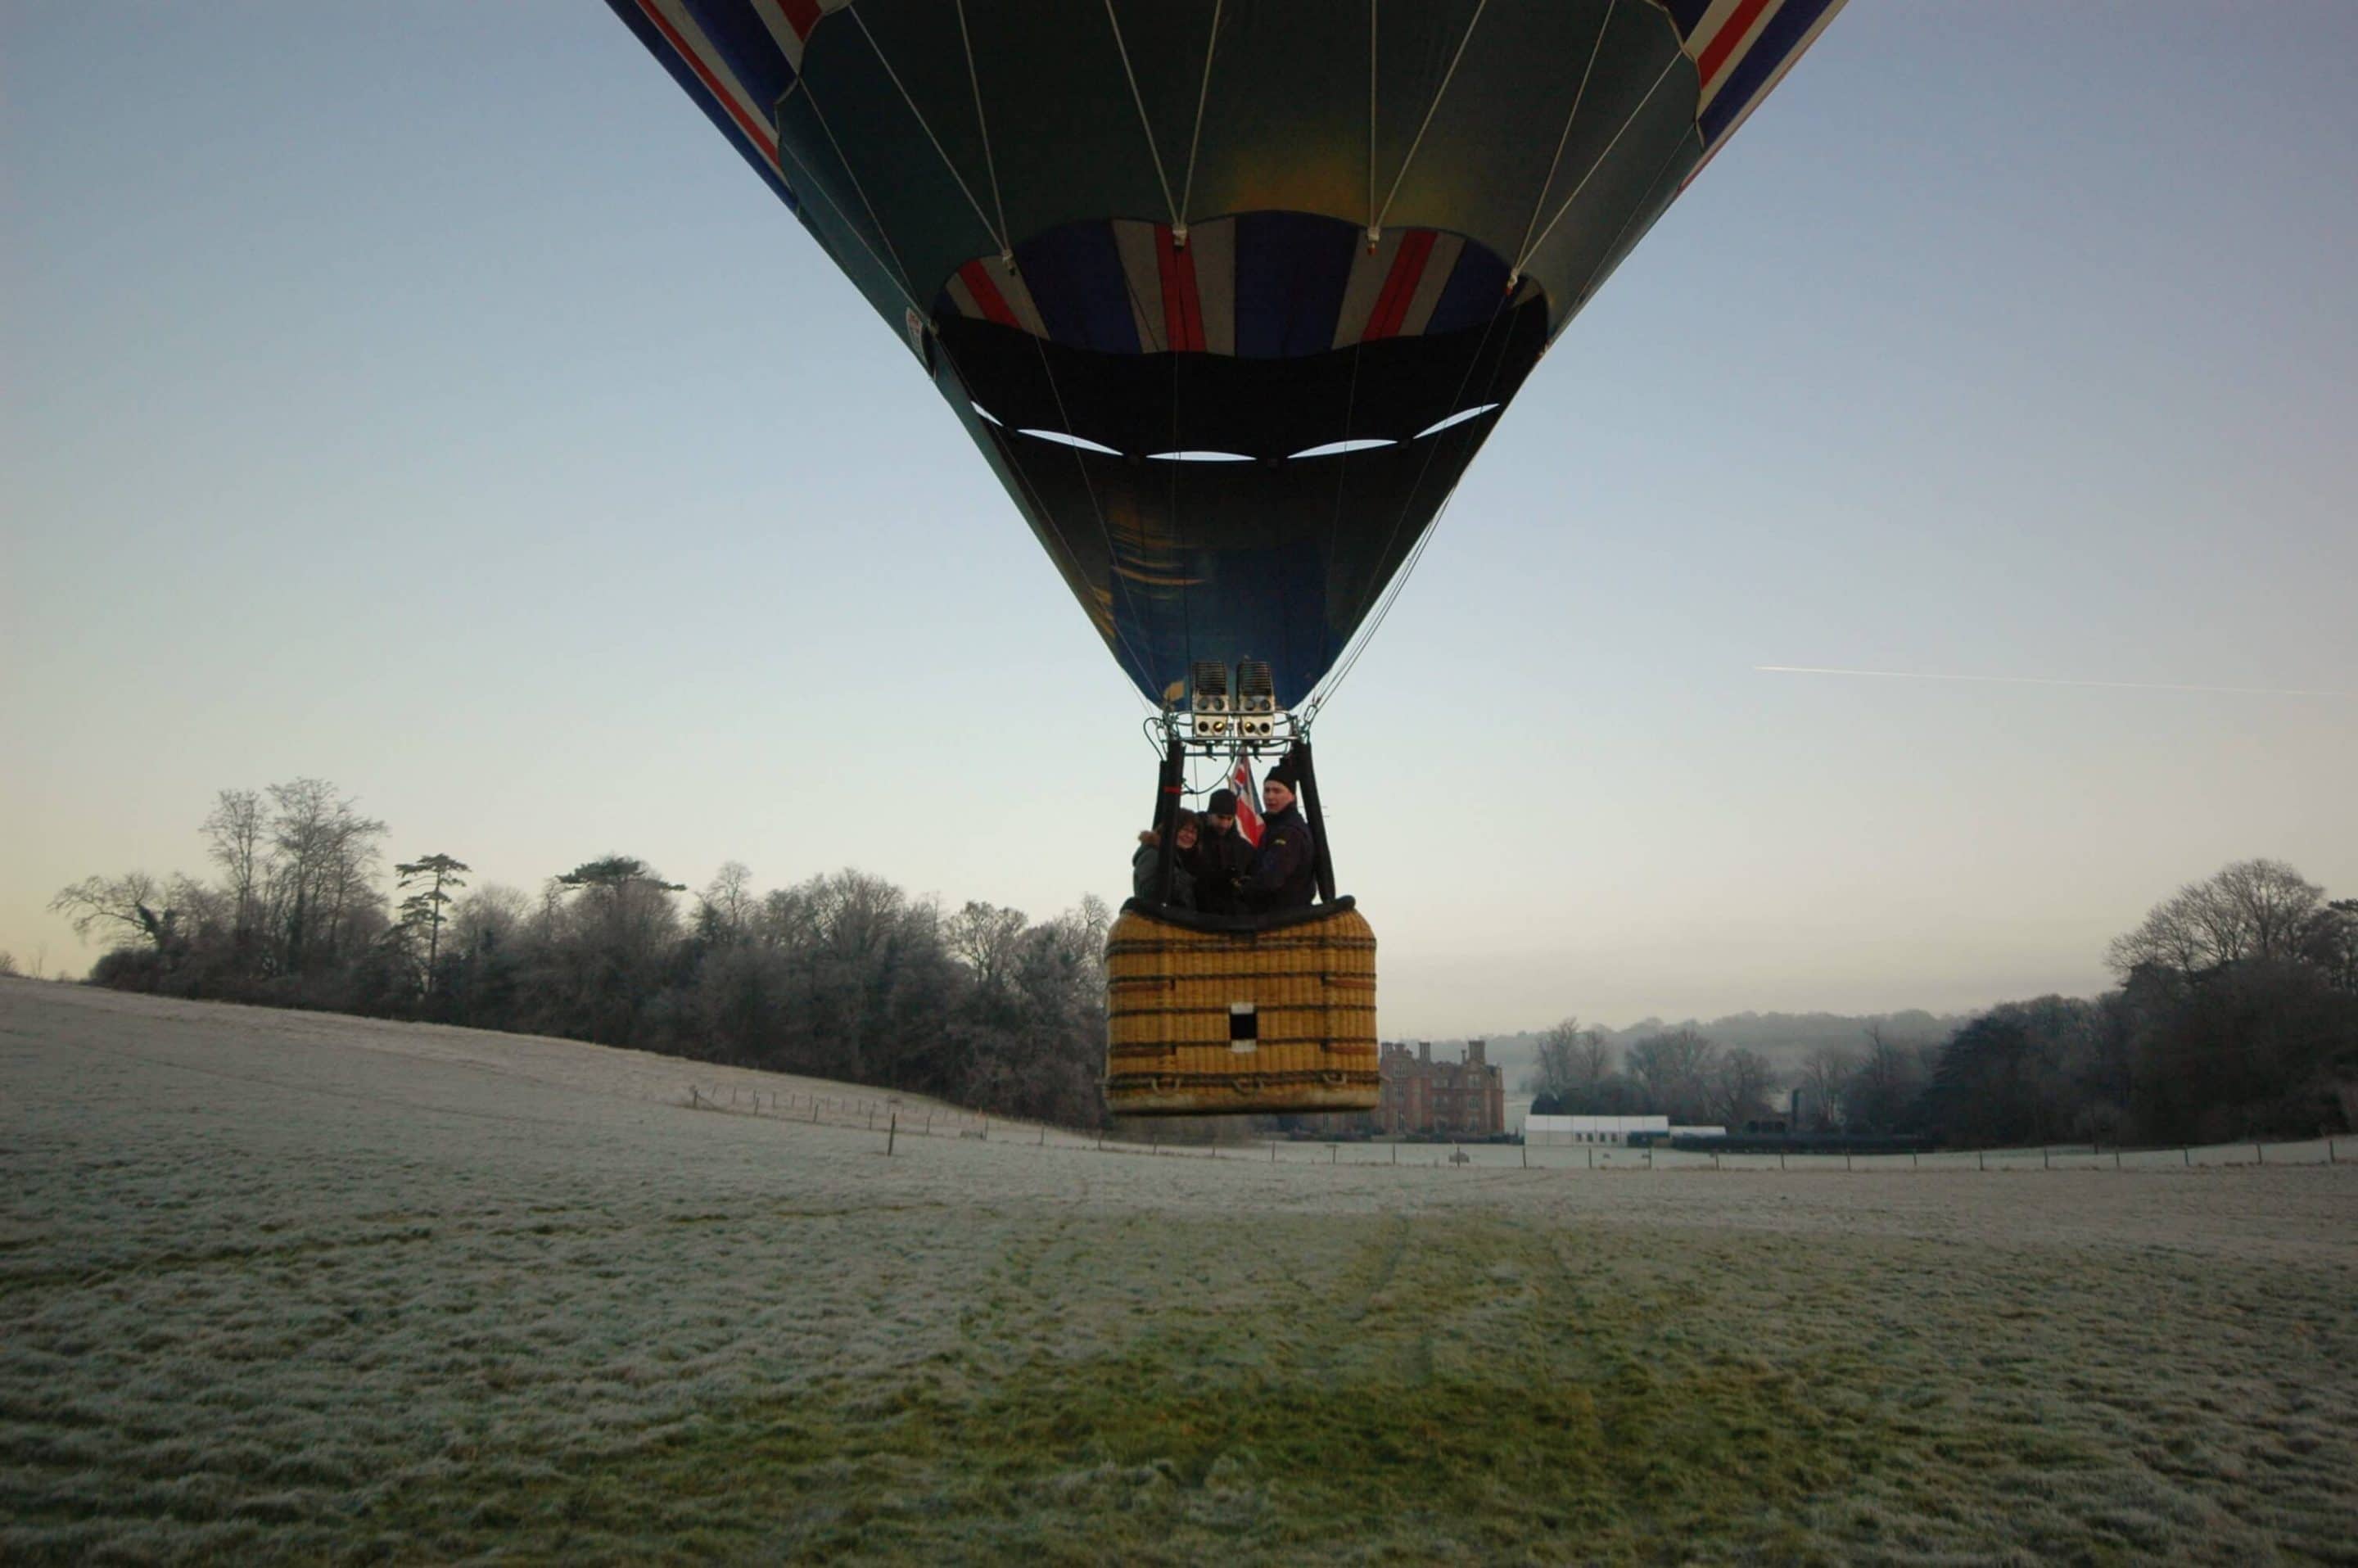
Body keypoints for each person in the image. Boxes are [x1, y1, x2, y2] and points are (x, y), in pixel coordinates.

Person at [1243, 765, 1317, 912]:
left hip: (1283, 915)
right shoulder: (1274, 826)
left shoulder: (1289, 832)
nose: (1270, 796)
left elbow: (1271, 878)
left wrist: (1241, 890)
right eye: (1267, 790)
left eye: (1277, 791)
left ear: (1292, 796)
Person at [1190, 788, 1257, 916]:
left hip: (1232, 919)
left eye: (1229, 819)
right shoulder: (1192, 839)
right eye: (1220, 817)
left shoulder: (1244, 850)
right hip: (1196, 916)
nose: (1224, 824)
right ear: (1210, 814)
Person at [1131, 809, 1199, 908]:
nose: (1189, 836)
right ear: (1171, 828)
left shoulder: (1178, 859)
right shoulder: (1152, 854)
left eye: (1194, 832)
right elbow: (1151, 892)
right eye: (1185, 830)